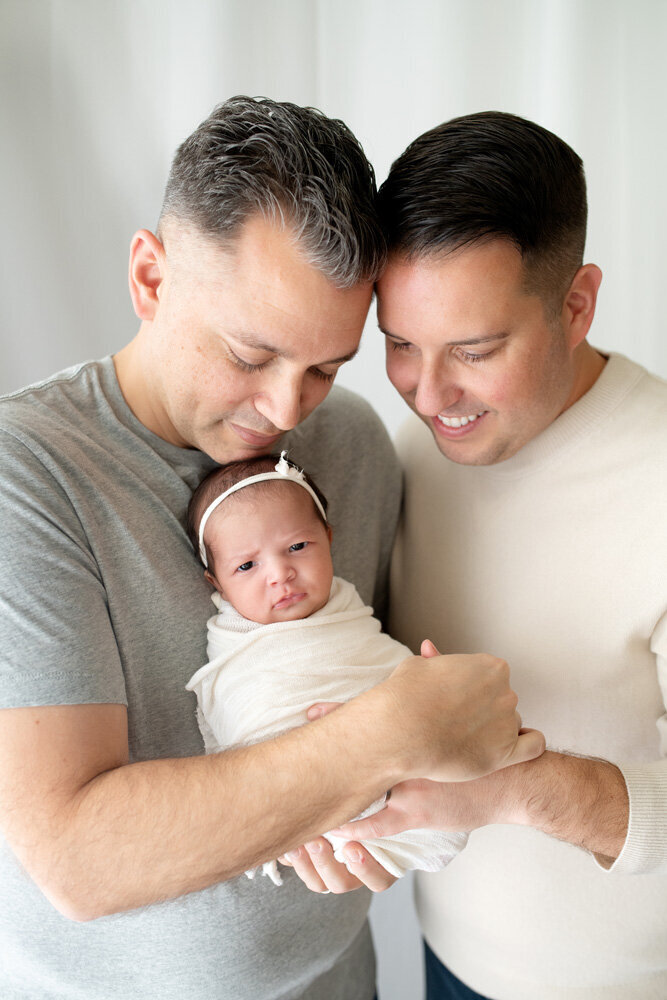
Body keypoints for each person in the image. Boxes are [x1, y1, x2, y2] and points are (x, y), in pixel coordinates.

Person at [0, 97, 542, 1000]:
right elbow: (78, 859)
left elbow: (372, 682)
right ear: (149, 277)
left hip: (341, 980)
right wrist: (390, 733)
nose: (289, 412)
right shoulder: (31, 473)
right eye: (250, 356)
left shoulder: (354, 443)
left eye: (325, 366)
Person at [288, 112, 667, 1000]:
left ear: (575, 305)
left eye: (475, 350)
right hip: (445, 961)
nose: (429, 393)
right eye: (399, 346)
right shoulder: (419, 445)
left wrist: (513, 791)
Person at [184, 452, 468, 884]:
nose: (281, 574)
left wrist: (424, 700)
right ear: (216, 583)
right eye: (246, 566)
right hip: (314, 812)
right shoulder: (235, 650)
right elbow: (249, 724)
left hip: (433, 784)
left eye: (297, 547)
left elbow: (383, 667)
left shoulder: (347, 609)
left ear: (328, 538)